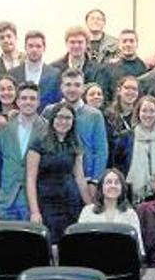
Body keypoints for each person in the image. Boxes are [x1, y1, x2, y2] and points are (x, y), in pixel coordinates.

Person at [26, 102, 92, 243]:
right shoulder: (38, 143)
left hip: (71, 202)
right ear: (52, 119)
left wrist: (90, 206)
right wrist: (34, 211)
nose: (63, 121)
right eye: (59, 117)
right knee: (50, 245)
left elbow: (79, 177)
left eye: (68, 118)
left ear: (73, 122)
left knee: (70, 244)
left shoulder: (75, 143)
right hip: (46, 203)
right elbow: (30, 179)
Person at [42, 69, 108, 197]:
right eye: (68, 85)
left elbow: (101, 150)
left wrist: (94, 182)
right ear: (61, 87)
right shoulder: (49, 111)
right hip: (54, 179)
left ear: (83, 88)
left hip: (85, 179)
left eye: (77, 85)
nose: (72, 89)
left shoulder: (94, 115)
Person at [0, 82, 47, 221]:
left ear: (38, 102)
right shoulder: (4, 129)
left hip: (34, 201)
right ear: (17, 101)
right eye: (24, 98)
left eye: (32, 98)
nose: (28, 102)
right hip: (6, 200)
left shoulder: (47, 130)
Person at [112, 95, 155, 204]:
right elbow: (117, 165)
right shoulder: (126, 137)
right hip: (130, 196)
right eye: (144, 111)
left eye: (152, 111)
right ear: (138, 113)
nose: (148, 115)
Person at [78, 168, 144, 255]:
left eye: (117, 183)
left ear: (122, 188)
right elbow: (79, 243)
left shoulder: (130, 214)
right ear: (101, 187)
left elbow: (138, 247)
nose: (113, 185)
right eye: (109, 182)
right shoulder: (87, 212)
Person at [9, 31, 61, 109]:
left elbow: (57, 101)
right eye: (31, 46)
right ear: (25, 48)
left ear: (44, 48)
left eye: (38, 46)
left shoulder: (55, 74)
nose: (34, 50)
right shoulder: (13, 73)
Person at [105, 76, 139, 167]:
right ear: (119, 90)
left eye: (134, 89)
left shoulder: (140, 117)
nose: (130, 92)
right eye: (127, 88)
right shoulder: (108, 116)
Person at [105, 29, 147, 100]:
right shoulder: (110, 67)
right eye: (124, 41)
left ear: (137, 44)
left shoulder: (144, 67)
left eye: (131, 41)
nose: (128, 44)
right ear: (119, 45)